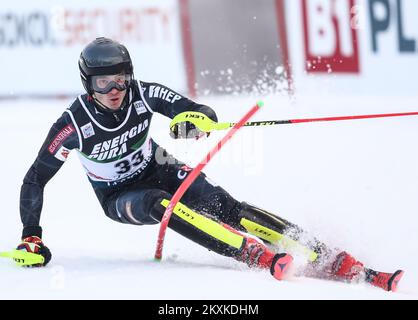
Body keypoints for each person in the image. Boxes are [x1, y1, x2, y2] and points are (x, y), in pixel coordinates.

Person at [17, 37, 403, 290]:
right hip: (119, 195)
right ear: (89, 85)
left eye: (119, 79)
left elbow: (193, 109)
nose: (114, 91)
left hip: (160, 164)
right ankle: (251, 253)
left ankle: (333, 257)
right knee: (160, 204)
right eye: (103, 84)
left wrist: (194, 122)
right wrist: (31, 235)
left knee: (228, 208)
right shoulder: (73, 126)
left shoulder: (141, 93)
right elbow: (35, 179)